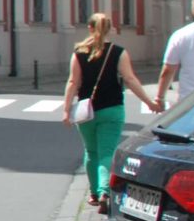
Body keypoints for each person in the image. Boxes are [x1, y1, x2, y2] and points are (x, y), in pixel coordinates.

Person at [62, 13, 162, 208]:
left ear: (89, 28)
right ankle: (104, 192)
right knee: (107, 152)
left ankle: (93, 193)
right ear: (109, 29)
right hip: (113, 109)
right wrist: (149, 102)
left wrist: (66, 110)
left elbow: (73, 82)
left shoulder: (79, 53)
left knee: (91, 152)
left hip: (86, 111)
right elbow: (130, 79)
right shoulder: (118, 52)